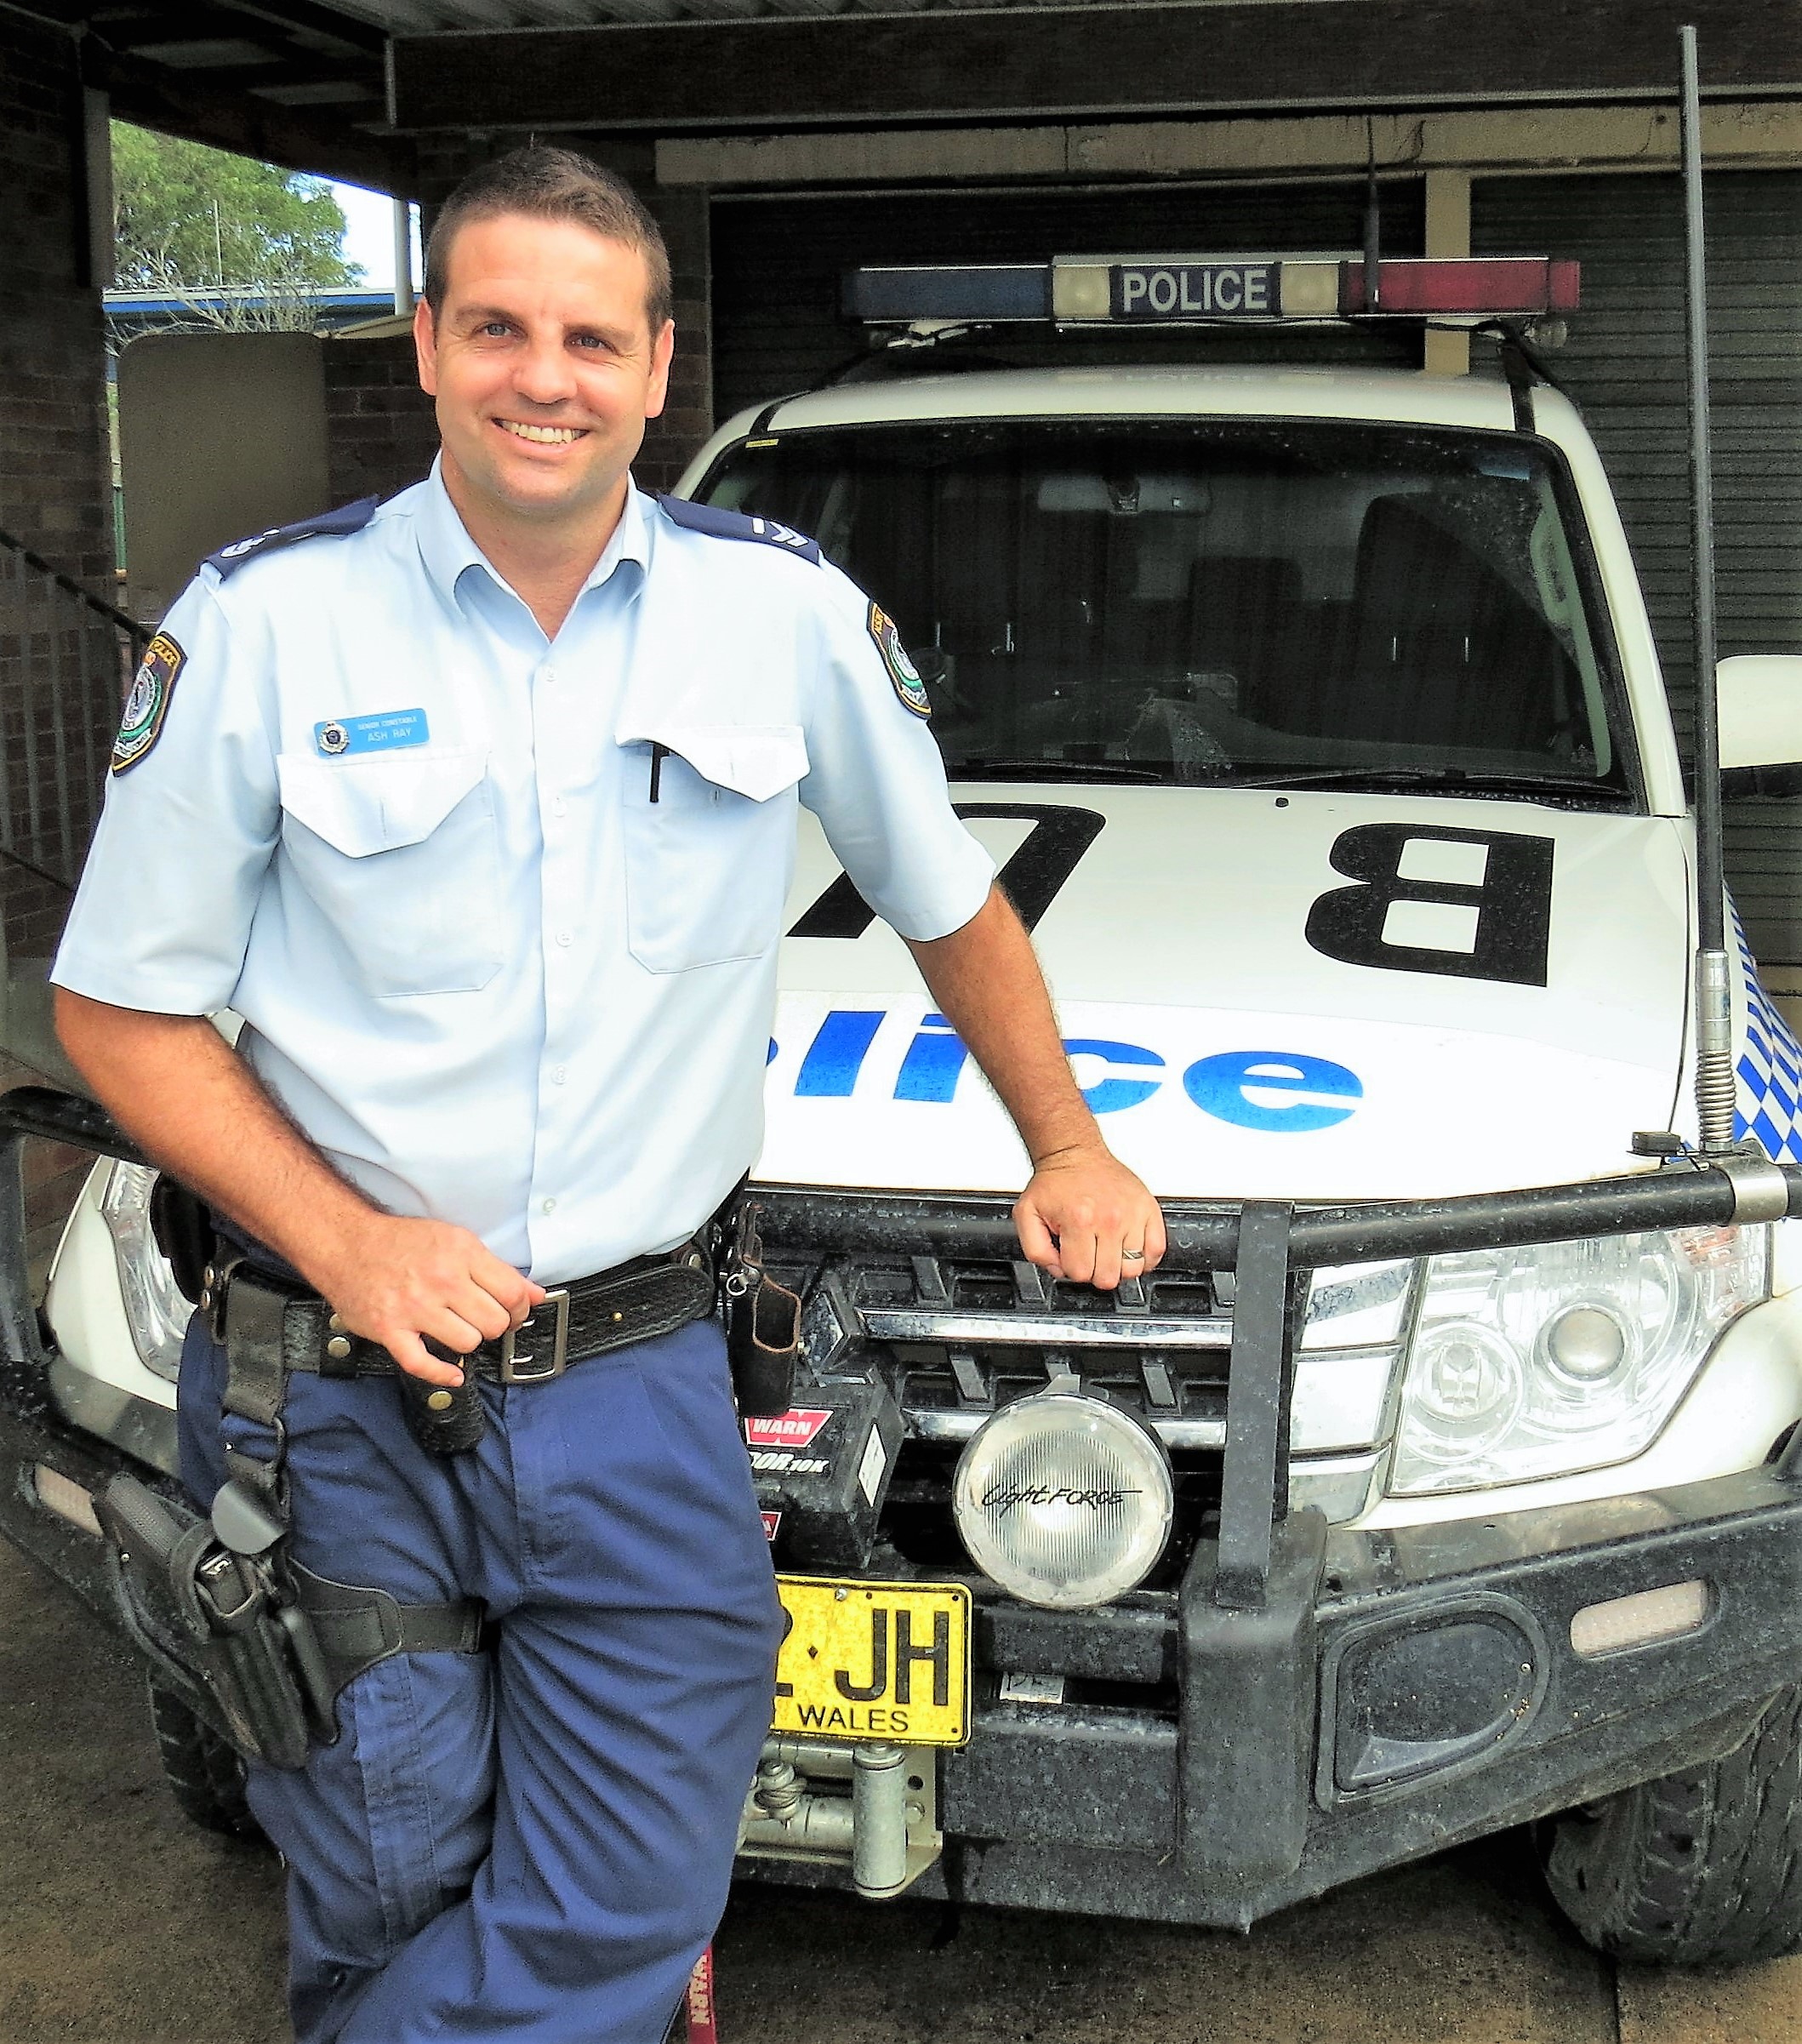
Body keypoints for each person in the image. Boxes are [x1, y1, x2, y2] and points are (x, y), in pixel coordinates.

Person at [50, 146, 1166, 2044]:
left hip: (643, 1384)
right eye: (497, 327)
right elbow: (116, 1011)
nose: (541, 376)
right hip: (334, 1391)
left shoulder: (784, 615)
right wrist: (356, 1241)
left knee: (634, 1890)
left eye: (590, 336)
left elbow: (951, 901)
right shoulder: (262, 625)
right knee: (393, 1876)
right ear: (427, 345)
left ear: (658, 370)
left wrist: (1060, 1139)